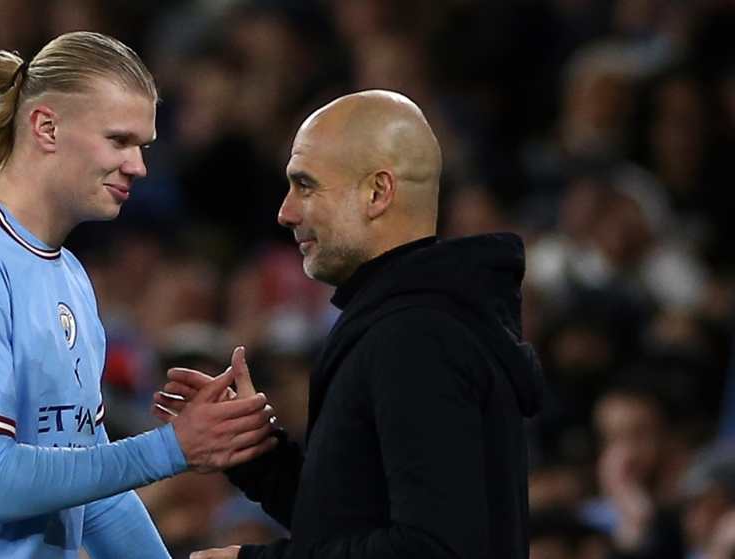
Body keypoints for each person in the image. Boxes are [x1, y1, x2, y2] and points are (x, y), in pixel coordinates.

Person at [0, 31, 277, 559]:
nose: (138, 166)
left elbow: (96, 498)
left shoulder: (70, 277)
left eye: (143, 146)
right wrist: (172, 447)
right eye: (119, 140)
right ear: (47, 127)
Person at [154, 90, 545, 558]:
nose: (285, 212)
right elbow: (343, 523)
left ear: (377, 193)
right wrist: (256, 454)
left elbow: (434, 549)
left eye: (306, 185)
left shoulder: (417, 336)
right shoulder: (404, 321)